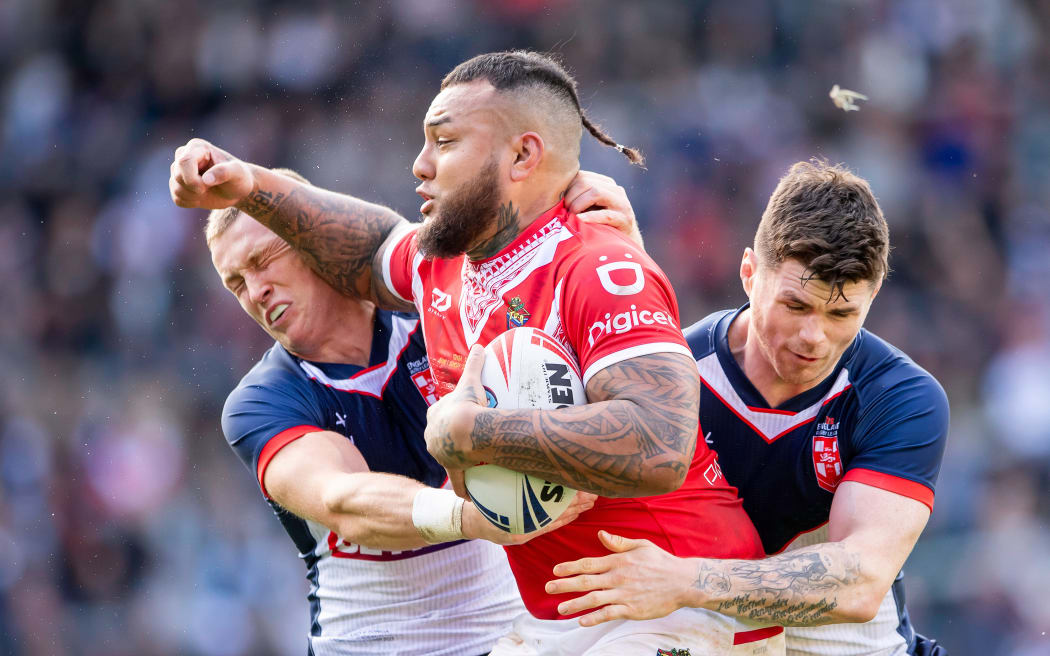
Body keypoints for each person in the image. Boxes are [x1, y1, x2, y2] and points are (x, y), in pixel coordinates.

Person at [170, 51, 782, 654]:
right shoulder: (440, 272)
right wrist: (249, 185)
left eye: (444, 142)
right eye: (234, 281)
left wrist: (484, 432)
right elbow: (370, 247)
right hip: (558, 622)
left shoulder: (600, 263)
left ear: (522, 155)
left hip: (676, 605)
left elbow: (661, 441)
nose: (420, 165)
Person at [546, 160, 949, 655]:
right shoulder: (678, 374)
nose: (814, 337)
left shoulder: (900, 398)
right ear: (748, 274)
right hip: (709, 641)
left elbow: (860, 581)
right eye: (796, 306)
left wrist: (686, 581)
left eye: (842, 314)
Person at [203, 168, 599, 655]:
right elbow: (342, 500)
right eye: (236, 282)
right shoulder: (260, 402)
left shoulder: (438, 311)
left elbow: (561, 303)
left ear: (314, 235)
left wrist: (604, 222)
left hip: (514, 637)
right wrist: (477, 518)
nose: (256, 290)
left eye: (263, 260)